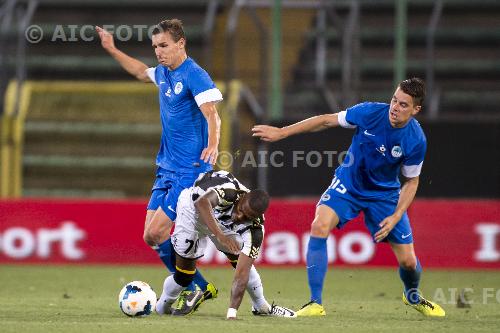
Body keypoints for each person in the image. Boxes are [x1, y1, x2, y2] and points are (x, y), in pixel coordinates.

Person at [252, 78, 445, 317]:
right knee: (320, 225)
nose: (395, 107)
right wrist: (282, 132)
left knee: (408, 262)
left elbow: (411, 181)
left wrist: (396, 216)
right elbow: (325, 121)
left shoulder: (416, 140)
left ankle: (412, 296)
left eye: (403, 104)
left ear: (416, 109)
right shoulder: (369, 112)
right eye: (394, 100)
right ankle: (315, 303)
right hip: (349, 185)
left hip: (384, 195)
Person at [96, 19, 221, 300]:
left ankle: (191, 289)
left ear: (181, 43)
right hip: (166, 167)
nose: (158, 52)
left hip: (190, 170)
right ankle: (200, 287)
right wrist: (113, 50)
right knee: (151, 236)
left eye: (164, 45)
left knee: (156, 231)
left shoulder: (195, 75)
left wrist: (213, 144)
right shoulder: (164, 73)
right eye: (155, 47)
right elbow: (141, 72)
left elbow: (212, 113)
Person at [155, 170, 296, 319]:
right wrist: (220, 235)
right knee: (184, 275)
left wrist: (232, 313)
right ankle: (160, 308)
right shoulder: (230, 192)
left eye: (247, 217)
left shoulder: (255, 230)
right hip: (192, 210)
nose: (240, 216)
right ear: (242, 198)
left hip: (219, 221)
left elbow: (242, 274)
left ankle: (261, 306)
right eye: (241, 210)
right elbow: (202, 203)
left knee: (238, 255)